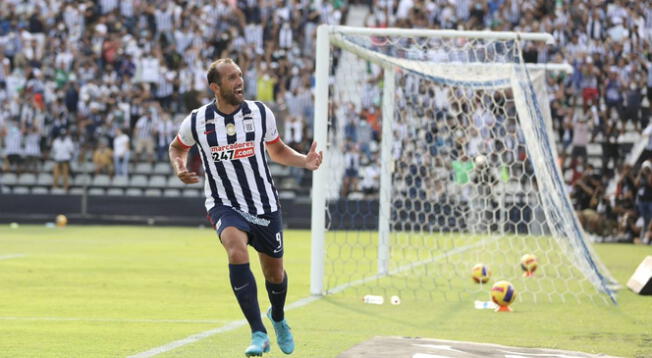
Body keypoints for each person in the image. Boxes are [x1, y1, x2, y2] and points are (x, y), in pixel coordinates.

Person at [168, 58, 322, 356]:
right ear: (215, 87)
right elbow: (177, 146)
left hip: (263, 203)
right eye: (230, 78)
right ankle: (257, 332)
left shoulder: (260, 112)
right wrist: (179, 167)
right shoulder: (198, 121)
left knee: (274, 275)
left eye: (240, 75)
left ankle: (277, 317)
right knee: (236, 250)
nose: (239, 82)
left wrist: (304, 160)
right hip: (224, 203)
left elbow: (276, 150)